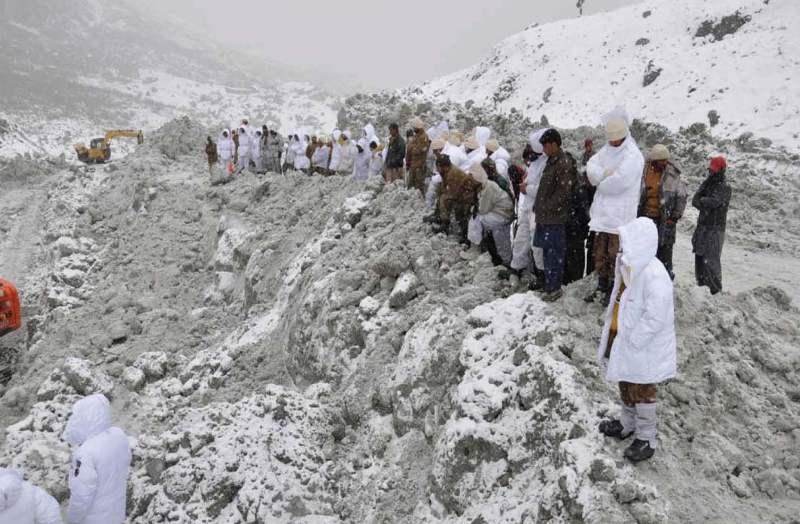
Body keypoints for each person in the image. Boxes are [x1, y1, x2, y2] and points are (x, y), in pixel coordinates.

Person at [597, 217, 676, 463]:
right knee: (626, 382)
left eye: (626, 244)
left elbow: (656, 315)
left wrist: (636, 339)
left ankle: (647, 437)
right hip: (627, 339)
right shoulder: (632, 267)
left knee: (642, 389)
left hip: (644, 346)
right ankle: (626, 424)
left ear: (640, 244)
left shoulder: (653, 274)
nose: (621, 248)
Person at [585, 118, 644, 305]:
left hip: (620, 218)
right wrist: (605, 174)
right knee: (599, 253)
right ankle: (602, 286)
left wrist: (601, 180)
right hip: (603, 217)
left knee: (616, 255)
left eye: (615, 139)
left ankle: (613, 289)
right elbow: (591, 168)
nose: (612, 143)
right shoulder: (607, 150)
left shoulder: (633, 155)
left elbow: (619, 182)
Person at [63, 394, 131, 524]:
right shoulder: (118, 435)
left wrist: (72, 520)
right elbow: (126, 462)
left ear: (86, 419)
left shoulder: (85, 453)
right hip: (116, 514)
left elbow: (81, 497)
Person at [532, 129, 577, 302]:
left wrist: (546, 206)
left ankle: (554, 288)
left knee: (554, 254)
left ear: (554, 144)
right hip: (546, 217)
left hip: (555, 218)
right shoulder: (551, 161)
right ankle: (549, 286)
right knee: (547, 252)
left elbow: (563, 192)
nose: (543, 149)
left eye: (545, 145)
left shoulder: (563, 163)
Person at [638, 144, 688, 279]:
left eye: (666, 160)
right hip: (645, 219)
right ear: (654, 160)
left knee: (665, 253)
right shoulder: (643, 171)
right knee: (646, 252)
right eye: (662, 161)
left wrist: (675, 217)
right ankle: (645, 280)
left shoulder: (673, 174)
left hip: (665, 220)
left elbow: (682, 197)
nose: (665, 163)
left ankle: (665, 280)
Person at [509, 129, 549, 290]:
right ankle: (516, 268)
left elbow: (542, 189)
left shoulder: (546, 163)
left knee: (536, 244)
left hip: (537, 209)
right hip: (527, 208)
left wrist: (527, 189)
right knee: (520, 240)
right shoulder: (534, 164)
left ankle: (542, 275)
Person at [692, 156, 731, 295]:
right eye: (711, 170)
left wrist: (703, 201)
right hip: (702, 227)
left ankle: (715, 291)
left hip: (715, 229)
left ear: (721, 170)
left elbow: (714, 202)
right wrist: (704, 201)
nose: (712, 173)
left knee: (711, 261)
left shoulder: (725, 187)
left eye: (714, 170)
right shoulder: (707, 183)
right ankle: (701, 288)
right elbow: (695, 200)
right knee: (700, 258)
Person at [464, 163, 515, 267]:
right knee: (476, 218)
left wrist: (474, 209)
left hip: (502, 214)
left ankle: (475, 248)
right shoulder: (485, 186)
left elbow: (483, 209)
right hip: (500, 213)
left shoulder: (489, 187)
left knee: (476, 219)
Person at [435, 155, 482, 244]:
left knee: (459, 211)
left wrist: (445, 198)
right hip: (463, 193)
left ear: (444, 167)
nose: (437, 169)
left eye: (438, 167)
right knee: (443, 199)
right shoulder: (447, 171)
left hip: (467, 195)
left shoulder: (452, 174)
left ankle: (464, 234)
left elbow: (454, 193)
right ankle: (443, 221)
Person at [582, 138, 598, 275]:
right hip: (587, 189)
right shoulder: (584, 156)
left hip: (592, 189)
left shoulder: (594, 156)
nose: (588, 147)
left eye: (589, 145)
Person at [406, 117, 431, 196]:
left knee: (418, 187)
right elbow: (409, 149)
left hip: (419, 166)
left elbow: (419, 150)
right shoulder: (416, 136)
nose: (413, 129)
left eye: (414, 128)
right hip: (413, 165)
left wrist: (412, 147)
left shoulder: (424, 137)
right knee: (410, 186)